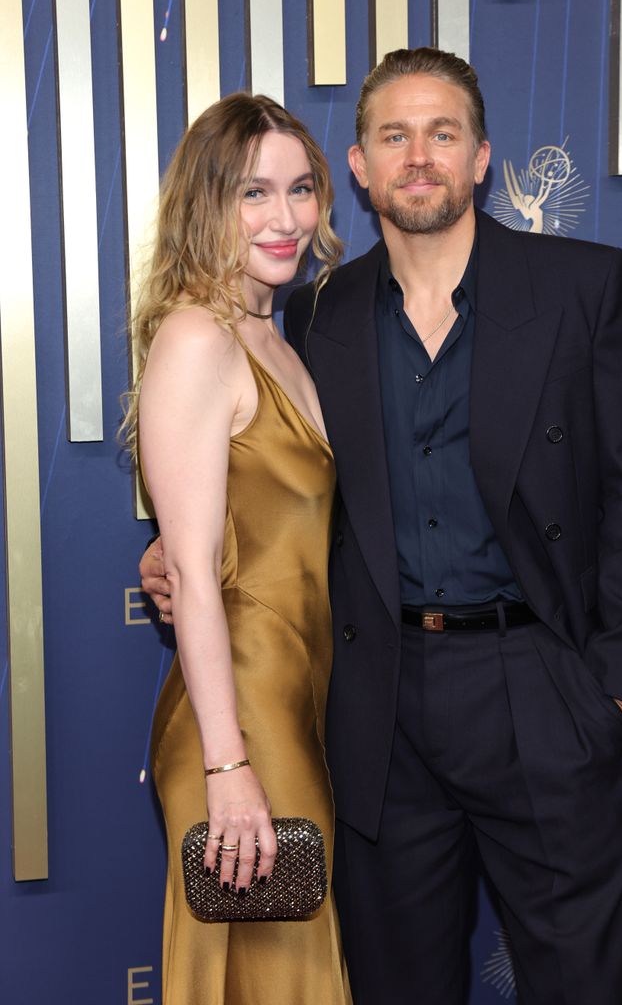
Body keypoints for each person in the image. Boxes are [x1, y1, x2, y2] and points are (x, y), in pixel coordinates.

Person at [142, 49, 622, 1005]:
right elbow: (250, 465)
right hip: (377, 706)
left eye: (442, 133)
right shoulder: (316, 312)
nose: (418, 155)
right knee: (395, 984)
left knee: (585, 985)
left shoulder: (578, 286)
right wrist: (183, 550)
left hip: (538, 691)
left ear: (480, 158)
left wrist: (616, 701)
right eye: (394, 135)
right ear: (361, 165)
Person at [124, 92, 351, 1005]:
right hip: (243, 716)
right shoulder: (195, 338)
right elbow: (193, 576)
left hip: (295, 702)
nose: (286, 218)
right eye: (254, 193)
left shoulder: (274, 333)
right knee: (270, 980)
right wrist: (229, 770)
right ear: (206, 204)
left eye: (301, 190)